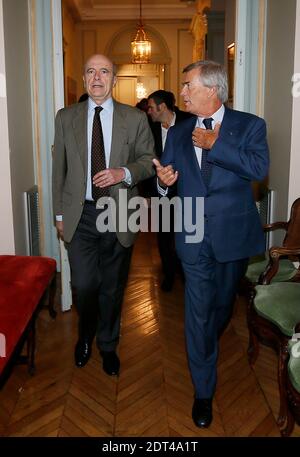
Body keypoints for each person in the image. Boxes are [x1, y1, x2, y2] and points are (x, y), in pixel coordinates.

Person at [153, 60, 269, 428]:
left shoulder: (250, 125)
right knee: (198, 314)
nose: (182, 92)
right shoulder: (178, 130)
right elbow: (166, 176)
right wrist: (163, 181)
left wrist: (216, 144)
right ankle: (203, 392)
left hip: (232, 239)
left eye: (188, 85)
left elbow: (257, 169)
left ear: (212, 90)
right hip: (191, 239)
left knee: (219, 310)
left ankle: (209, 338)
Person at [52, 54, 155, 376]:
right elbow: (59, 169)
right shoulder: (65, 117)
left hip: (118, 213)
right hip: (80, 216)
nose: (97, 77)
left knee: (112, 287)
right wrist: (58, 212)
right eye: (90, 71)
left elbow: (148, 159)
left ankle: (107, 345)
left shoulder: (134, 119)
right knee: (84, 285)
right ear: (84, 78)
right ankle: (84, 335)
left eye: (104, 71)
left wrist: (123, 172)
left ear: (113, 80)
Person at [147, 90, 193, 291]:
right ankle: (168, 275)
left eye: (150, 107)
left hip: (187, 191)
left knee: (188, 234)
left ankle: (186, 274)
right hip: (160, 192)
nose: (148, 111)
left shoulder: (190, 121)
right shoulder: (148, 128)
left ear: (162, 107)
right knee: (164, 237)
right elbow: (146, 161)